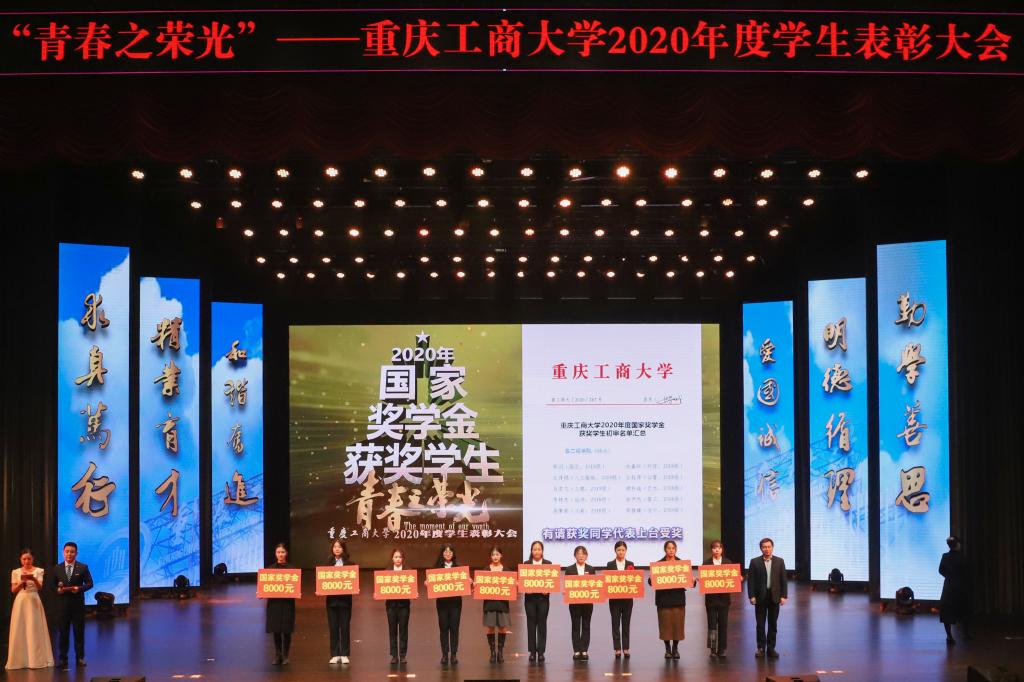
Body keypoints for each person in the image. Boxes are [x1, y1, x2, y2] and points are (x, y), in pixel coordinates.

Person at [49, 541, 93, 671]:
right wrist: (57, 590)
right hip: (62, 606)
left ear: (76, 553)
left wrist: (79, 588)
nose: (69, 554)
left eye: (72, 552)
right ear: (63, 552)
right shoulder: (57, 568)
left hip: (77, 606)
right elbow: (51, 585)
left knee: (79, 632)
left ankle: (80, 658)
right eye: (67, 551)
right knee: (63, 633)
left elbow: (90, 583)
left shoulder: (83, 567)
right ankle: (63, 658)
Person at [6, 549, 53, 670]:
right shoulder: (15, 572)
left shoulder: (39, 570)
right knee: (20, 627)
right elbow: (13, 590)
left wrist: (33, 579)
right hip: (21, 600)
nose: (26, 561)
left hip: (33, 599)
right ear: (20, 560)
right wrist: (21, 582)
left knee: (34, 628)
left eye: (29, 559)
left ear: (33, 559)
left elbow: (40, 587)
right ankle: (19, 660)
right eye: (24, 559)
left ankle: (35, 659)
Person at [747, 537, 787, 659]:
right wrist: (751, 596)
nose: (767, 549)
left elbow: (783, 580)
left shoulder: (780, 561)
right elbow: (751, 580)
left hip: (775, 597)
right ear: (761, 548)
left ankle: (771, 648)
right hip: (760, 597)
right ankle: (760, 648)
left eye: (769, 547)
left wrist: (784, 595)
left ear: (772, 547)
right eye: (764, 547)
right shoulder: (754, 562)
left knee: (773, 624)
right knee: (760, 624)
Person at [650, 539, 688, 660]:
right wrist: (652, 578)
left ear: (675, 550)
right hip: (664, 600)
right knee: (665, 625)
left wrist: (693, 581)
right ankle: (667, 649)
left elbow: (687, 581)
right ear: (665, 550)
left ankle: (675, 649)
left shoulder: (682, 564)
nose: (671, 550)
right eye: (668, 548)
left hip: (678, 599)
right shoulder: (658, 565)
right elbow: (651, 582)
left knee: (678, 625)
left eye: (673, 548)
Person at [701, 539, 735, 659]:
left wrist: (738, 578)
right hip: (711, 600)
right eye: (714, 548)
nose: (716, 550)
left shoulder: (728, 562)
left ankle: (722, 649)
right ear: (711, 550)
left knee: (723, 624)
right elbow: (704, 579)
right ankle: (712, 649)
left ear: (722, 550)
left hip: (724, 600)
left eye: (719, 548)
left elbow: (732, 578)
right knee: (712, 625)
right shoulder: (706, 563)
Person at [604, 540, 635, 659]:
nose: (621, 552)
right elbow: (607, 581)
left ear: (626, 551)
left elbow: (634, 580)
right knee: (615, 624)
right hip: (615, 600)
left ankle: (626, 648)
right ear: (615, 551)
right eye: (619, 550)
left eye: (623, 550)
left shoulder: (631, 564)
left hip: (627, 600)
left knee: (626, 624)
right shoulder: (610, 564)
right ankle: (617, 648)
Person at [266, 543, 296, 665]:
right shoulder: (270, 570)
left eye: (282, 552)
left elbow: (295, 587)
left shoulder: (292, 570)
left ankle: (285, 655)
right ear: (275, 554)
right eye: (278, 552)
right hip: (274, 603)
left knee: (286, 629)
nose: (280, 554)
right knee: (276, 629)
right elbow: (265, 586)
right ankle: (278, 655)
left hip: (287, 603)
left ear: (286, 553)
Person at [566, 545, 597, 661]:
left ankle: (584, 650)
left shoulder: (591, 569)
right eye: (578, 554)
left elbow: (594, 585)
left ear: (586, 556)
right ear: (575, 556)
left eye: (583, 554)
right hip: (574, 603)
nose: (581, 556)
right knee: (575, 626)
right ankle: (576, 650)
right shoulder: (569, 570)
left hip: (587, 603)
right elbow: (567, 586)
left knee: (586, 625)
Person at [524, 540, 552, 663]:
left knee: (542, 624)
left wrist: (548, 590)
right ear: (531, 551)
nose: (536, 551)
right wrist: (525, 588)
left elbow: (552, 581)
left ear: (542, 551)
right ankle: (532, 652)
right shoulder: (526, 564)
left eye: (539, 549)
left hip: (543, 599)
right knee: (531, 624)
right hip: (530, 599)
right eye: (534, 549)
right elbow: (522, 582)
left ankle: (541, 652)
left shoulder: (548, 564)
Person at [939, 535, 971, 644]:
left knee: (947, 612)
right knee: (964, 610)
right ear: (957, 544)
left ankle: (949, 636)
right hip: (961, 587)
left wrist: (949, 577)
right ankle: (966, 634)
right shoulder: (962, 557)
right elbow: (966, 572)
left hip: (948, 587)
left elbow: (941, 570)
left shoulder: (945, 556)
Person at [433, 543, 462, 665]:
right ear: (442, 553)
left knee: (454, 628)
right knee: (443, 628)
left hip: (455, 603)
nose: (448, 553)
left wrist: (468, 581)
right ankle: (444, 654)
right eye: (445, 551)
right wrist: (428, 583)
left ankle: (454, 654)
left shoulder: (459, 568)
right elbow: (431, 583)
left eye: (450, 551)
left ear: (453, 553)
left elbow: (464, 583)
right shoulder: (437, 568)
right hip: (442, 603)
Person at [482, 546, 511, 663]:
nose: (495, 557)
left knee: (502, 628)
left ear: (501, 555)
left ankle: (500, 653)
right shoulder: (485, 571)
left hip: (502, 604)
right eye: (493, 554)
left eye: (497, 554)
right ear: (490, 556)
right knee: (490, 628)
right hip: (489, 604)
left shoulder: (507, 571)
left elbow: (512, 587)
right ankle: (492, 653)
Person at [326, 539, 352, 665]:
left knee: (345, 627)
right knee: (333, 627)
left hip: (345, 601)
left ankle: (345, 653)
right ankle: (335, 654)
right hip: (332, 601)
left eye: (339, 547)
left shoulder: (350, 564)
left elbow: (353, 580)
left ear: (343, 549)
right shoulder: (327, 564)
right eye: (335, 547)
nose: (337, 549)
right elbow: (322, 581)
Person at [385, 548, 411, 664]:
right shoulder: (387, 571)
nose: (398, 559)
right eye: (396, 557)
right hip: (391, 606)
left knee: (403, 630)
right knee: (392, 630)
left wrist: (414, 593)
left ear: (403, 559)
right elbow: (382, 587)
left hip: (404, 605)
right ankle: (394, 655)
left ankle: (403, 655)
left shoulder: (408, 571)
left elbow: (411, 587)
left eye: (400, 557)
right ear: (392, 558)